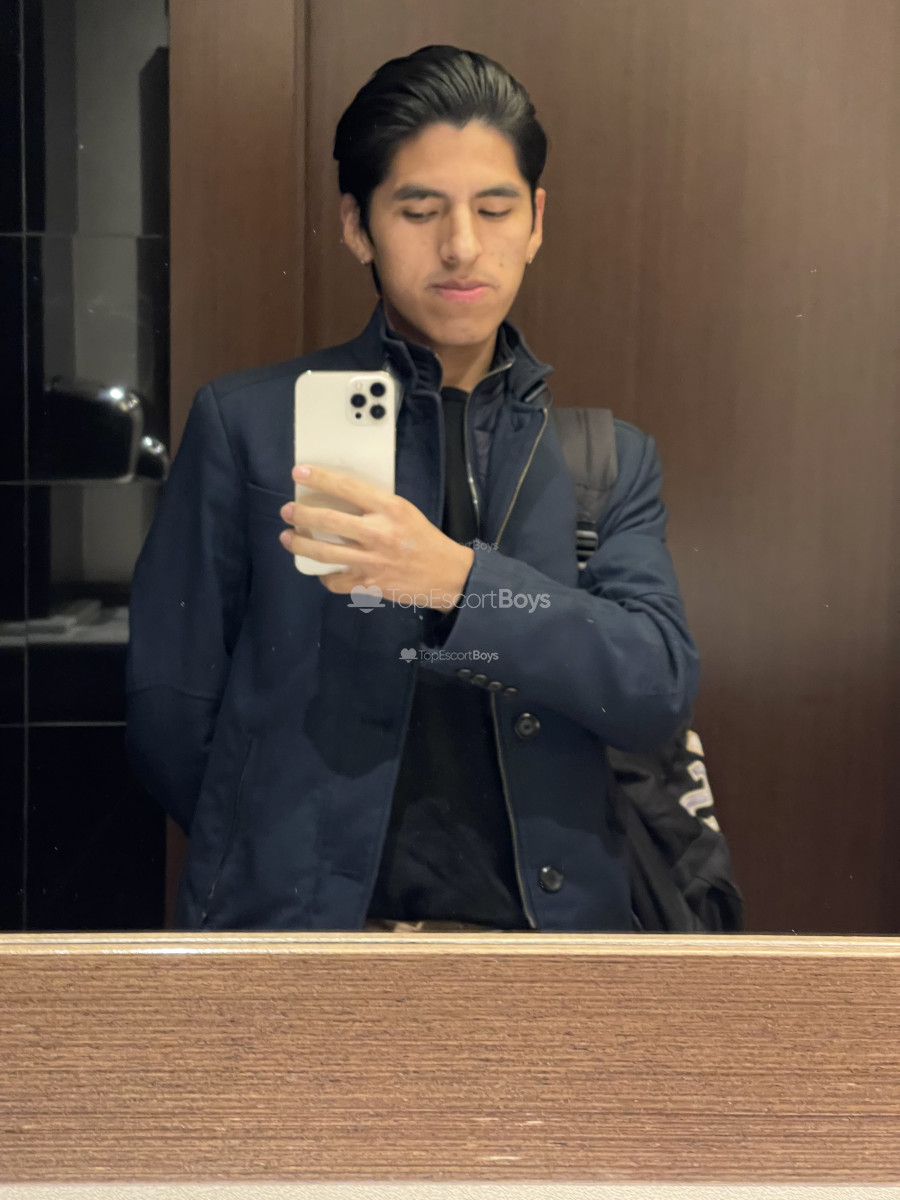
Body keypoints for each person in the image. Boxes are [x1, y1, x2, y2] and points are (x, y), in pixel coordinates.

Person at [125, 45, 700, 933]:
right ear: (358, 225)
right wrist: (277, 858)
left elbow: (655, 688)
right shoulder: (249, 429)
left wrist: (460, 585)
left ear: (536, 221)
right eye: (420, 210)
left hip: (547, 953)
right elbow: (171, 713)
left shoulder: (604, 459)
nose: (461, 245)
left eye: (495, 209)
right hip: (306, 945)